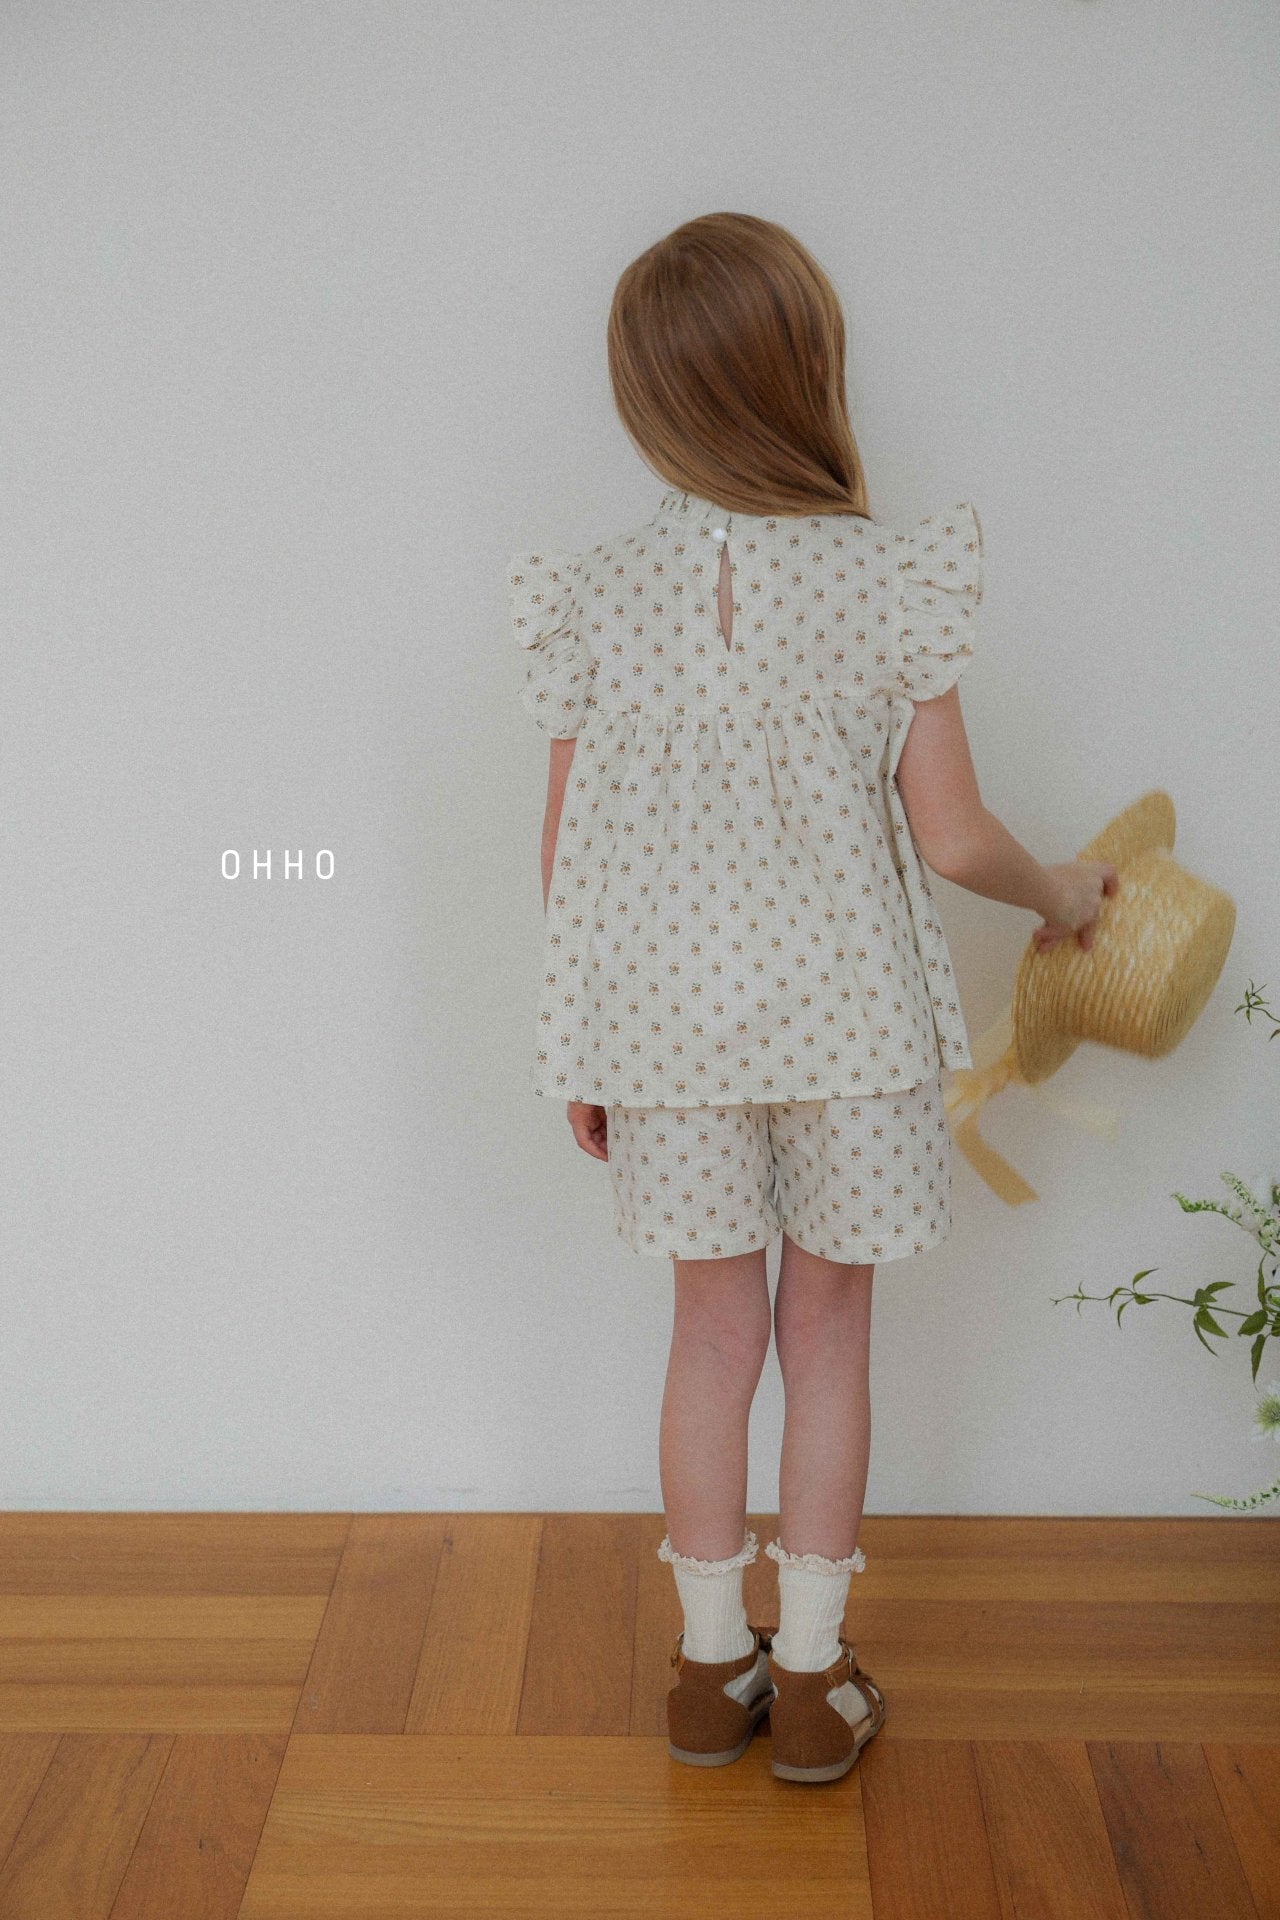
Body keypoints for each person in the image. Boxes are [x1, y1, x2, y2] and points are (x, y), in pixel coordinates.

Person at [506, 212, 1117, 1783]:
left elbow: (570, 861)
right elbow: (957, 836)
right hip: (853, 1033)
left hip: (664, 1037)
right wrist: (1065, 900)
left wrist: (579, 1047)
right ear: (809, 373)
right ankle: (814, 1677)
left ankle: (710, 1672)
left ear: (647, 396)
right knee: (829, 1332)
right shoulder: (888, 575)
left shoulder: (597, 597)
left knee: (712, 1336)